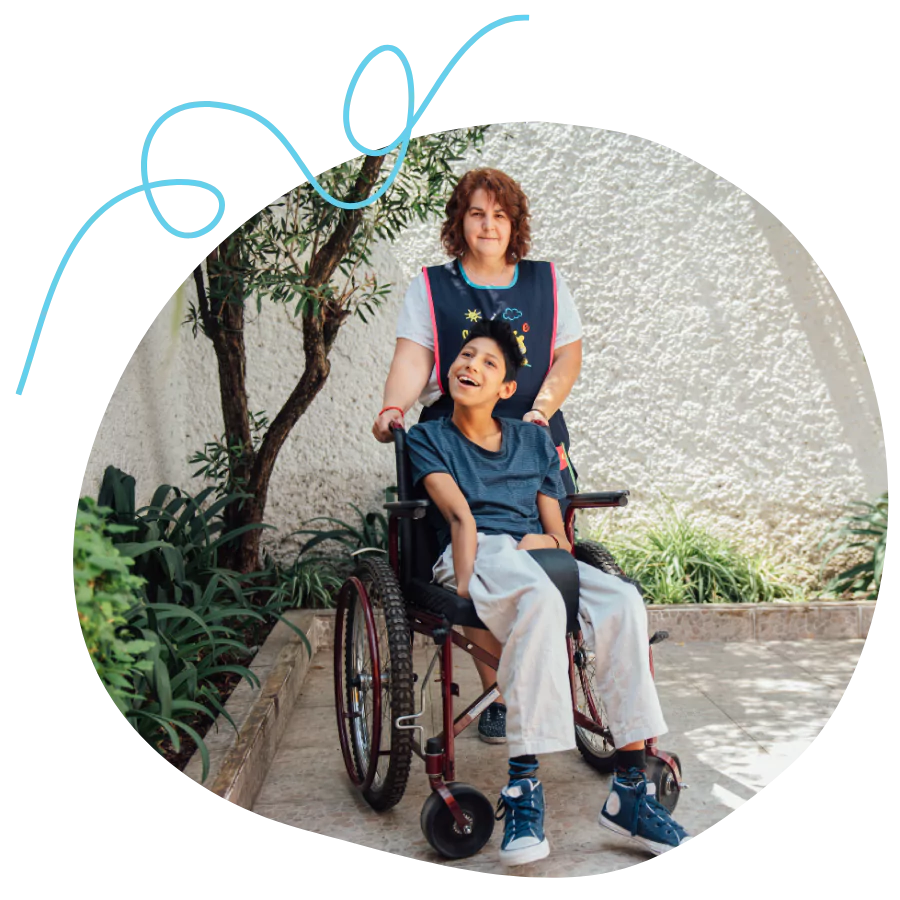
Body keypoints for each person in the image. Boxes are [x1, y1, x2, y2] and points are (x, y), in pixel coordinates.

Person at [405, 319, 694, 866]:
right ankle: (522, 788)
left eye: (489, 363)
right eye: (466, 356)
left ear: (506, 389)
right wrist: (468, 596)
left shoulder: (534, 439)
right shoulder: (429, 437)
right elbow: (461, 519)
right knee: (537, 600)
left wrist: (553, 549)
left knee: (622, 602)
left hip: (534, 553)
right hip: (480, 552)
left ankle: (630, 791)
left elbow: (555, 529)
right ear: (450, 370)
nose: (471, 366)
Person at [373, 167, 584, 744]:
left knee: (546, 556)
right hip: (458, 438)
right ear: (459, 222)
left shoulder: (546, 282)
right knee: (481, 558)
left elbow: (567, 357)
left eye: (499, 214)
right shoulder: (433, 285)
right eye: (475, 213)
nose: (488, 224)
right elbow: (416, 358)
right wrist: (394, 407)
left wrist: (539, 408)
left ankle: (549, 682)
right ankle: (498, 694)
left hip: (531, 429)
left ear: (513, 223)